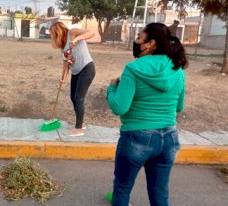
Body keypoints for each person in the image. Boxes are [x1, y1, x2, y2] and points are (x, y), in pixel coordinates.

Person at [107, 22, 188, 206]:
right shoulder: (177, 68)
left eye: (139, 38)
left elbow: (119, 107)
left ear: (150, 44)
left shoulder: (133, 69)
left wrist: (111, 88)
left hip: (136, 137)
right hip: (169, 138)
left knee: (122, 188)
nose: (136, 42)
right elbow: (179, 107)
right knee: (160, 194)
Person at [49, 22, 96, 137]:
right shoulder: (63, 46)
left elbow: (91, 33)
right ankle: (81, 123)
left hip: (87, 68)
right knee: (72, 97)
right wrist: (62, 79)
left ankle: (78, 129)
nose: (53, 37)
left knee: (79, 97)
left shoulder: (72, 33)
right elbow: (66, 65)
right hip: (76, 72)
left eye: (53, 35)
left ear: (58, 32)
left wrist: (76, 39)